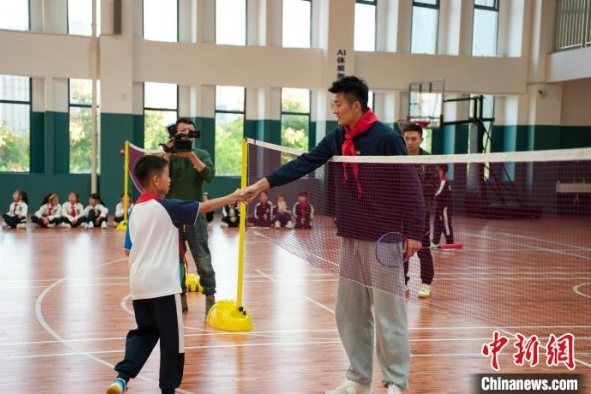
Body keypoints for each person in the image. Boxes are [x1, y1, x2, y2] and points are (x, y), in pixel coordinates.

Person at [243, 76, 425, 394]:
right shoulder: (339, 137)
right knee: (350, 312)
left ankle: (396, 380)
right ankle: (358, 379)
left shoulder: (387, 139)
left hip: (383, 238)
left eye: (338, 104)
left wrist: (414, 232)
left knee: (389, 313)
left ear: (356, 105)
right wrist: (264, 183)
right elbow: (305, 162)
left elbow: (410, 185)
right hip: (351, 235)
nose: (334, 110)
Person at [106, 155, 249, 394]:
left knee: (145, 333)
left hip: (139, 285)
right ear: (155, 180)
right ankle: (168, 389)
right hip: (163, 285)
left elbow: (127, 250)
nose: (170, 179)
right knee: (172, 341)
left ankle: (121, 378)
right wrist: (235, 196)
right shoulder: (168, 207)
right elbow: (205, 207)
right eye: (167, 175)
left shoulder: (135, 210)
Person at [164, 118, 217, 315]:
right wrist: (168, 153)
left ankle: (210, 295)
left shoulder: (201, 154)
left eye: (190, 131)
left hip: (196, 213)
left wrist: (191, 155)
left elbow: (209, 175)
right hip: (172, 215)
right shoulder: (169, 154)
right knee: (175, 260)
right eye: (182, 131)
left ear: (195, 134)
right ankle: (180, 295)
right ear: (175, 134)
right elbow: (159, 176)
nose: (186, 134)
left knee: (202, 258)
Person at [401, 124, 438, 299]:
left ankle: (426, 284)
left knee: (423, 248)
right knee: (402, 248)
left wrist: (412, 191)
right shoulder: (398, 158)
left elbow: (433, 185)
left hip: (422, 212)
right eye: (407, 138)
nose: (410, 142)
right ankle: (403, 282)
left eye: (414, 139)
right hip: (402, 211)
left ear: (421, 140)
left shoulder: (428, 160)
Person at [432, 164, 455, 248]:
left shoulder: (444, 181)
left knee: (446, 224)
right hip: (439, 206)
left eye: (438, 169)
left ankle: (450, 243)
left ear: (441, 170)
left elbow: (438, 193)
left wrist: (430, 195)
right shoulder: (439, 181)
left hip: (445, 207)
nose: (437, 171)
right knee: (437, 223)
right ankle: (435, 242)